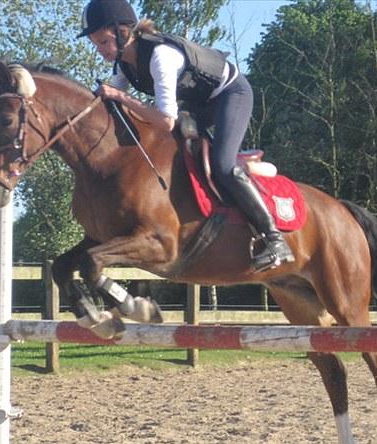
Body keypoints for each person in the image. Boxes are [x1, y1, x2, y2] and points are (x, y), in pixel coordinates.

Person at [78, 0, 294, 272]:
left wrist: (120, 96)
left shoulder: (160, 57)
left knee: (223, 166)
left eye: (103, 42)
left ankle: (274, 238)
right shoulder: (123, 66)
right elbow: (110, 105)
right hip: (198, 105)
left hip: (230, 94)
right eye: (96, 44)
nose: (100, 50)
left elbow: (165, 120)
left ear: (122, 32)